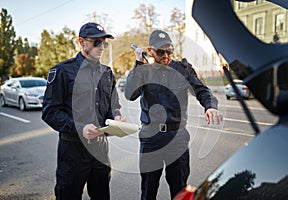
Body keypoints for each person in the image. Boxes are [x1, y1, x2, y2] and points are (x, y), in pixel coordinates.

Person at [124, 30, 223, 200]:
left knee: (180, 190)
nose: (165, 55)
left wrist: (210, 106)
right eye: (160, 51)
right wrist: (138, 63)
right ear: (150, 50)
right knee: (148, 190)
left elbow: (201, 90)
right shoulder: (144, 71)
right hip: (151, 137)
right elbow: (130, 94)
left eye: (169, 50)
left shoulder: (183, 69)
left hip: (177, 137)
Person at [42, 22, 124, 200]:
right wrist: (80, 128)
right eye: (96, 42)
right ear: (81, 42)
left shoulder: (107, 73)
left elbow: (113, 106)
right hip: (73, 150)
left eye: (104, 43)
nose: (101, 47)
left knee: (101, 195)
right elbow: (50, 112)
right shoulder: (62, 71)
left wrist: (117, 117)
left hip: (101, 149)